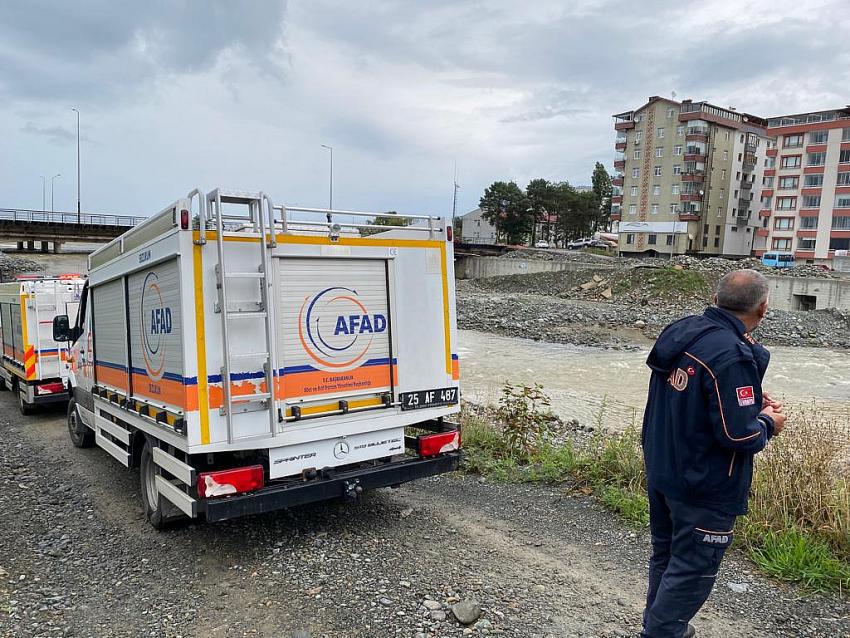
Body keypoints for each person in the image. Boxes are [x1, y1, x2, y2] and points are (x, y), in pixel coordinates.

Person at [640, 269, 787, 638]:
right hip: (703, 485)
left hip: (664, 469)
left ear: (716, 298)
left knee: (667, 556)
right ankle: (661, 632)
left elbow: (696, 398)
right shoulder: (730, 354)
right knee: (692, 569)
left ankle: (661, 628)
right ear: (763, 308)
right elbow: (739, 436)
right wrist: (769, 423)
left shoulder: (683, 331)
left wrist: (750, 395)